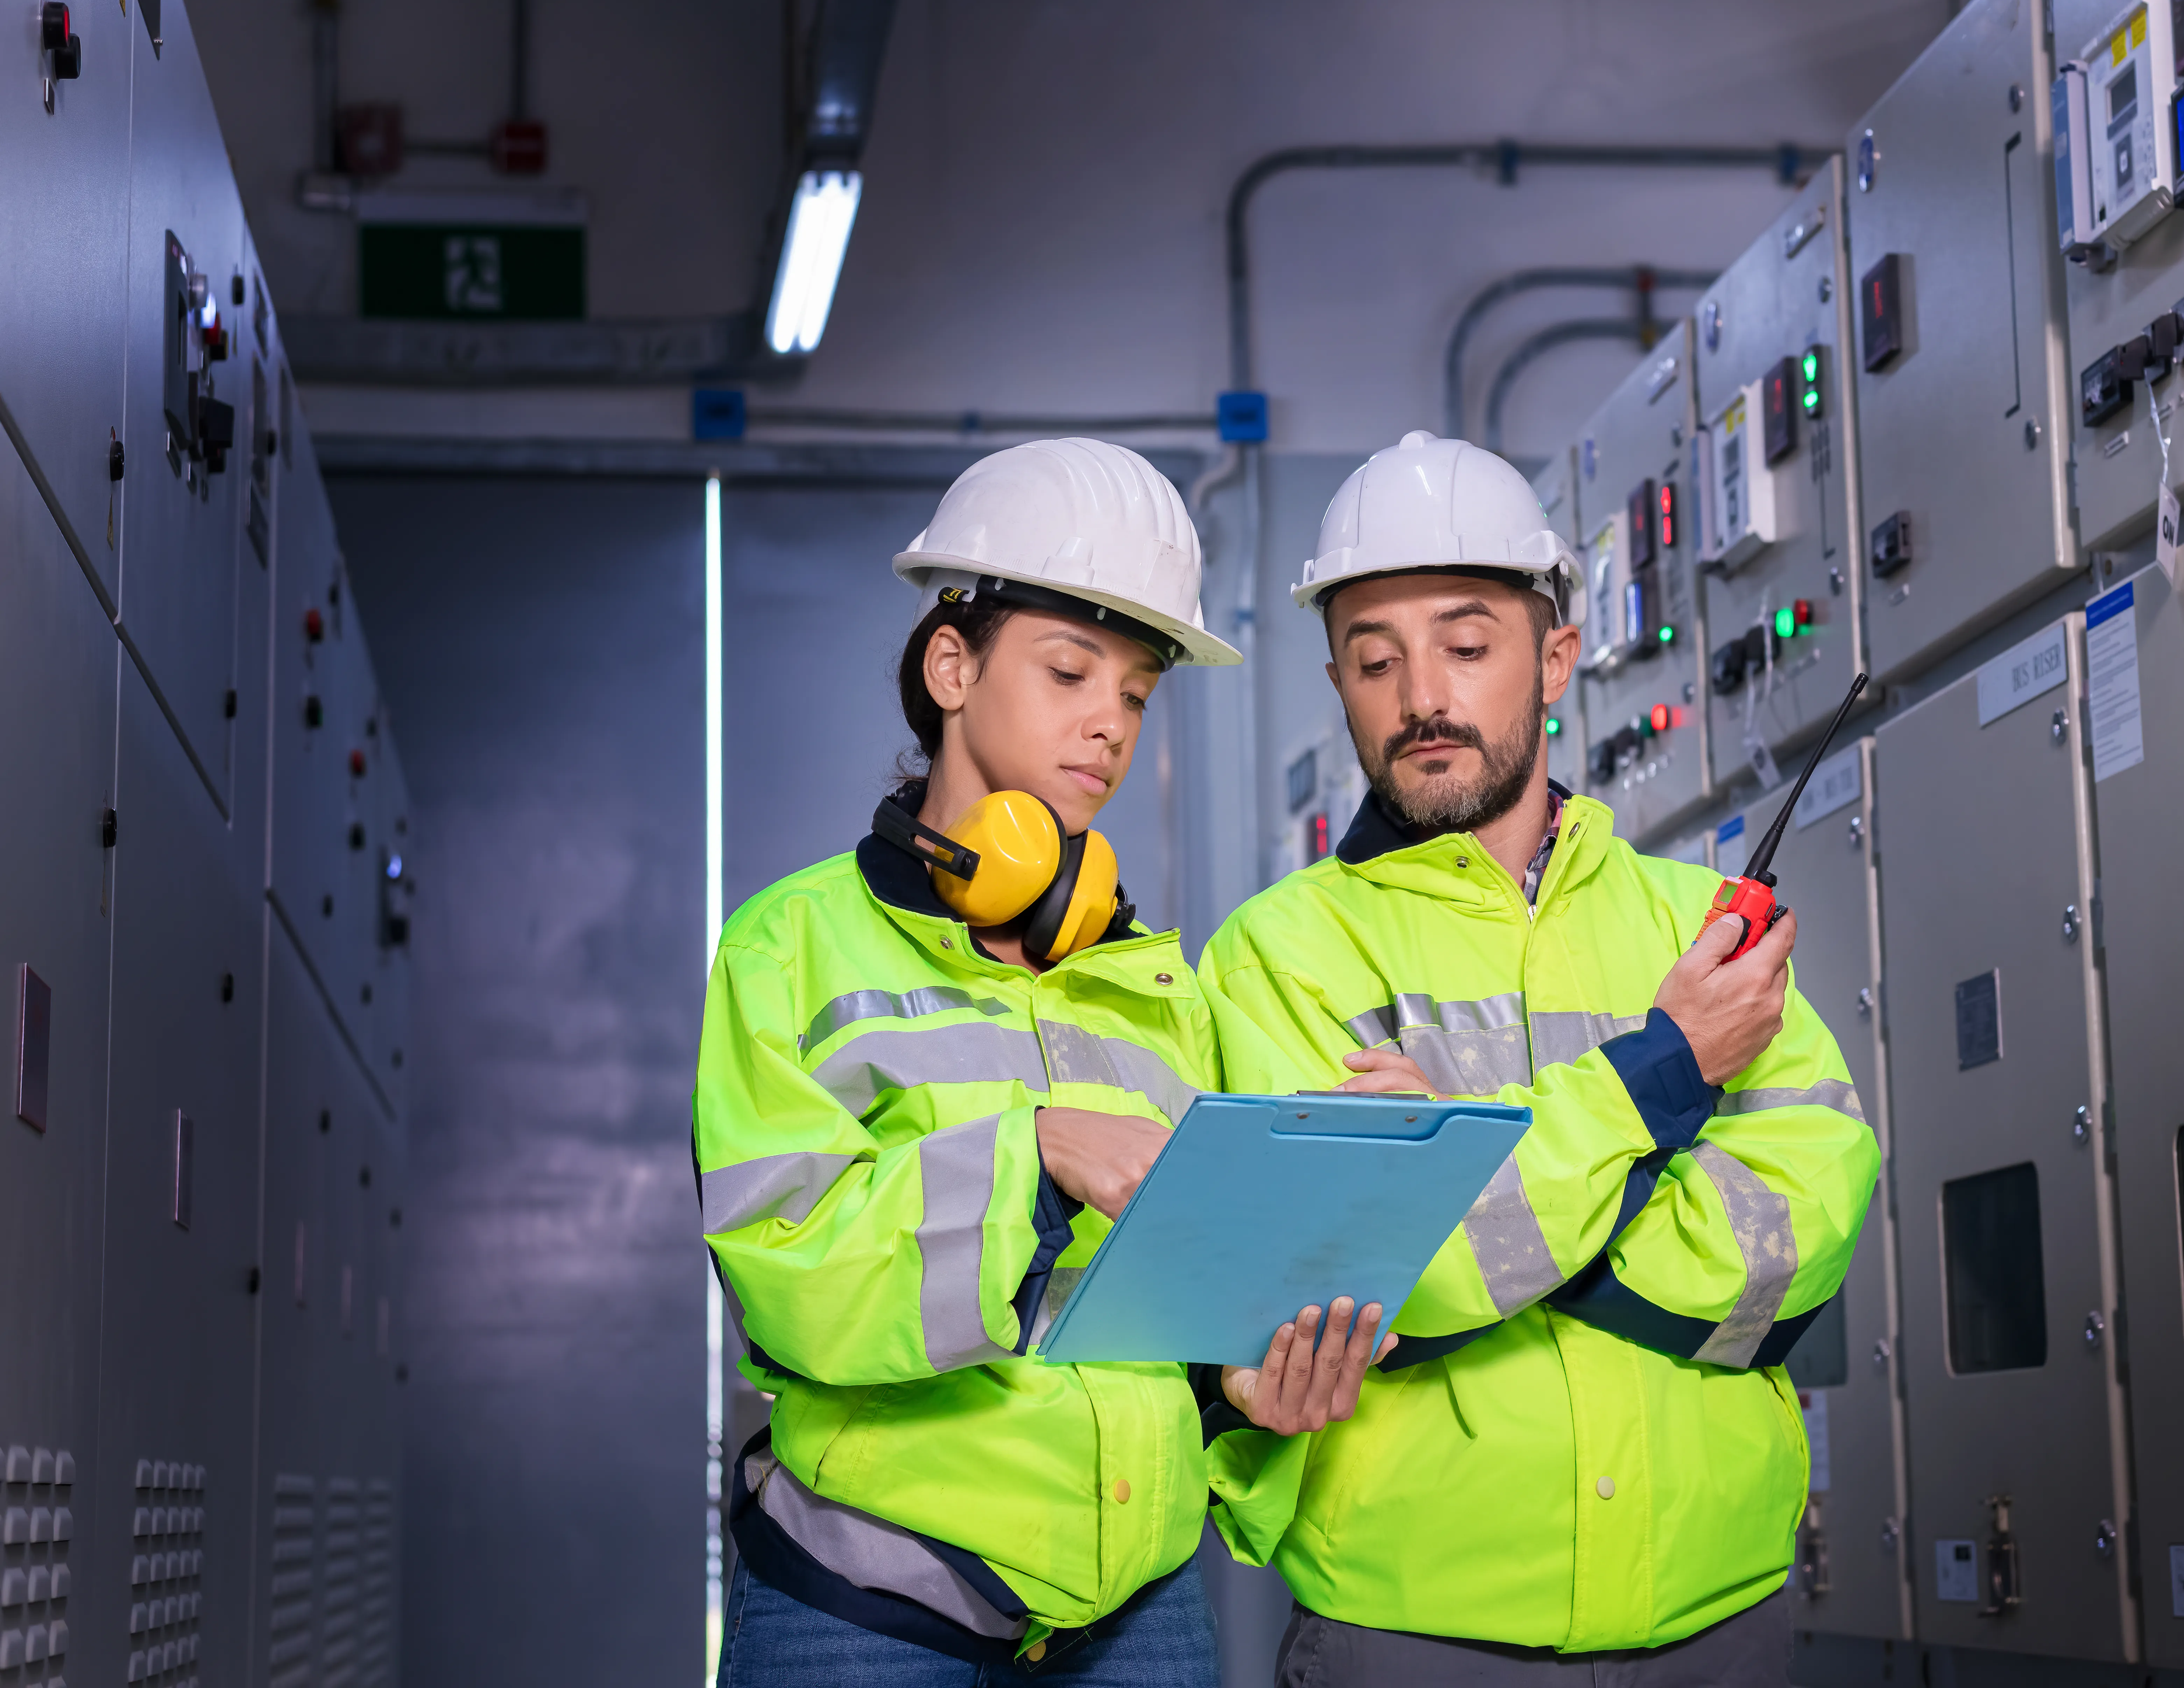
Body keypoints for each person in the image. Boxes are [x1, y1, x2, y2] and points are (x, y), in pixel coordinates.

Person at [697, 439, 1387, 1686]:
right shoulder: (788, 947)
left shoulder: (1160, 984)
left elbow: (1181, 1302)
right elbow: (792, 1280)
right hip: (871, 1601)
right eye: (1070, 671)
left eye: (1136, 694)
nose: (1108, 724)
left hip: (1138, 1604)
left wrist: (1247, 1382)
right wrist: (1037, 1155)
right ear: (951, 668)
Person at [1199, 432, 1881, 1683]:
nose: (1422, 697)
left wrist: (1466, 1167)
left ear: (1556, 659)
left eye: (1467, 647)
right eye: (1376, 661)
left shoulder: (1701, 926)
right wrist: (1665, 1079)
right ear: (1340, 684)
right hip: (1415, 1633)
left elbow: (1797, 1239)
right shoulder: (1278, 957)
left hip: (1718, 1619)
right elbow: (1365, 1281)